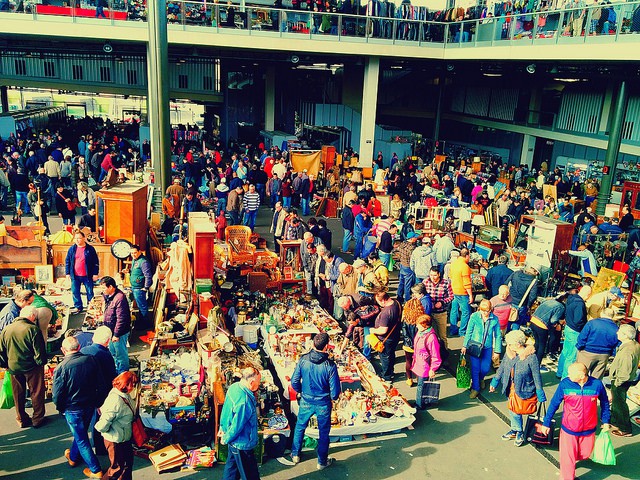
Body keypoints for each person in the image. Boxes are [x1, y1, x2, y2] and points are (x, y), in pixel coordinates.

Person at [540, 363, 611, 480]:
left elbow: (604, 403)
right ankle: (567, 476)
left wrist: (606, 421)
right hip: (569, 429)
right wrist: (546, 423)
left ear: (582, 375)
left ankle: (573, 460)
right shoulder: (565, 384)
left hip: (589, 429)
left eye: (571, 373)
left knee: (585, 454)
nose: (568, 375)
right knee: (568, 459)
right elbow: (554, 404)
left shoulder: (597, 385)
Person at [53, 336, 104, 479]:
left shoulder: (61, 367)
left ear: (63, 350)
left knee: (82, 439)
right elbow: (100, 384)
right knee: (80, 434)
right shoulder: (91, 360)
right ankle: (73, 457)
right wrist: (98, 402)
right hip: (89, 405)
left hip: (72, 408)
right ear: (79, 347)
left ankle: (95, 469)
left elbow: (57, 394)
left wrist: (60, 408)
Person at [290, 332, 340, 470]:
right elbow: (335, 393)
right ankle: (321, 462)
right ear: (326, 347)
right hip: (323, 403)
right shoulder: (330, 366)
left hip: (306, 399)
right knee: (323, 433)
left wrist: (301, 391)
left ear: (313, 344)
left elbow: (294, 382)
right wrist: (332, 398)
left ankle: (295, 454)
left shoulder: (303, 360)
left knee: (300, 427)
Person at [490, 330, 546, 447]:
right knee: (513, 409)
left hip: (524, 388)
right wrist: (495, 381)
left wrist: (540, 391)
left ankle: (517, 431)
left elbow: (536, 375)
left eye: (510, 344)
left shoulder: (531, 357)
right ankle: (517, 430)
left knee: (516, 409)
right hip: (510, 387)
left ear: (518, 344)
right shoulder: (509, 353)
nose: (508, 346)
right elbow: (502, 368)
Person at [0, 305, 47, 428]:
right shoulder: (33, 329)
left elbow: (1, 350)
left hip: (14, 367)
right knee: (36, 392)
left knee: (18, 393)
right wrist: (41, 363)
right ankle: (37, 418)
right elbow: (39, 351)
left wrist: (5, 364)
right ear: (32, 316)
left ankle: (21, 418)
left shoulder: (7, 329)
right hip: (32, 367)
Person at [219, 367, 262, 480]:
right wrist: (226, 438)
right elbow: (237, 426)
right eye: (258, 383)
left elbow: (226, 410)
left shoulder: (234, 387)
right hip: (242, 443)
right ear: (251, 382)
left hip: (234, 442)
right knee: (250, 475)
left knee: (231, 471)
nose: (259, 385)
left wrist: (222, 427)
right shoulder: (244, 402)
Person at [95, 371, 139, 480]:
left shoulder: (122, 394)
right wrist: (106, 432)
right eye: (132, 384)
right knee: (117, 469)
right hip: (115, 440)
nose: (133, 387)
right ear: (126, 384)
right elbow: (102, 424)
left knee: (127, 465)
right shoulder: (116, 401)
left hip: (124, 437)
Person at [81, 326, 117, 455]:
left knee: (84, 423)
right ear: (107, 341)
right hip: (101, 392)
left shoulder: (84, 350)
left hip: (85, 392)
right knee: (100, 419)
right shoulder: (105, 355)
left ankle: (82, 449)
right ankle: (101, 447)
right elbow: (111, 374)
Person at [461, 299, 502, 399]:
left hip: (487, 347)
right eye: (484, 311)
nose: (486, 313)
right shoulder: (474, 317)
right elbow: (469, 332)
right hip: (475, 346)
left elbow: (498, 335)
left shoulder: (494, 319)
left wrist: (497, 351)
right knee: (475, 368)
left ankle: (481, 379)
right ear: (480, 309)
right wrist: (464, 345)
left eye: (488, 310)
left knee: (485, 368)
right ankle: (475, 388)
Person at [608, 324, 640, 437]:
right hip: (624, 379)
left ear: (625, 335)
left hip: (621, 381)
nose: (617, 333)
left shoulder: (627, 351)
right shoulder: (633, 344)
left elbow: (625, 372)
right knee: (617, 403)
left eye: (619, 332)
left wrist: (617, 382)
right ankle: (615, 422)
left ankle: (625, 429)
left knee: (620, 404)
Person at [557, 283, 590, 379]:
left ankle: (559, 372)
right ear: (587, 295)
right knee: (571, 356)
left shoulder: (571, 298)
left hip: (568, 328)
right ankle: (565, 377)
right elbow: (578, 320)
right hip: (575, 331)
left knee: (565, 352)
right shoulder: (580, 304)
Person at [575, 308, 619, 379]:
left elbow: (582, 337)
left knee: (580, 375)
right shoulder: (616, 328)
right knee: (596, 378)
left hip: (587, 352)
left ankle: (578, 389)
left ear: (602, 313)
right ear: (613, 316)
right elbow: (616, 343)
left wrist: (580, 347)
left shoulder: (592, 323)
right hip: (604, 355)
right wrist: (611, 353)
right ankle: (593, 390)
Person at [100, 276, 132, 375]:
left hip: (119, 332)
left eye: (103, 288)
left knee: (121, 354)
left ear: (111, 287)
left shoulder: (120, 298)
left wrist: (116, 335)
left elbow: (121, 319)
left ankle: (124, 374)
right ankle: (117, 371)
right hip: (111, 331)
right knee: (113, 352)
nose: (102, 290)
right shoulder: (110, 296)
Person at [412, 314, 442, 410]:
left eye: (418, 325)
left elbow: (435, 354)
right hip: (419, 363)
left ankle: (419, 404)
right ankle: (423, 401)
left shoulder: (431, 338)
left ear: (425, 326)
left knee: (421, 385)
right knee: (421, 384)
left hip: (425, 365)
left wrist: (433, 369)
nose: (416, 326)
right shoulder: (421, 333)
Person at [65, 231, 100, 314]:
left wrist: (95, 273)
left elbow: (96, 262)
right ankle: (78, 307)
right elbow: (67, 261)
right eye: (76, 238)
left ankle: (90, 306)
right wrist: (67, 273)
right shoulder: (72, 249)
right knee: (75, 291)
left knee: (90, 292)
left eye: (79, 238)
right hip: (75, 275)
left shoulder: (90, 249)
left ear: (84, 238)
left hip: (87, 275)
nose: (77, 240)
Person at [371, 291, 402, 381]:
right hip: (395, 336)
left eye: (379, 301)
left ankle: (386, 376)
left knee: (385, 358)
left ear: (383, 301)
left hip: (386, 339)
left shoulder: (386, 312)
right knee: (391, 355)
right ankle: (390, 372)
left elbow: (383, 330)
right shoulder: (397, 303)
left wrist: (373, 330)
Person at [530, 295, 566, 371]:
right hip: (542, 325)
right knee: (542, 346)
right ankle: (537, 365)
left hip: (533, 321)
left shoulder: (549, 301)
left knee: (537, 343)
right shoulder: (561, 307)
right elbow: (553, 320)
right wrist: (557, 324)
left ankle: (531, 361)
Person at [422, 267, 453, 350]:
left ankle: (445, 354)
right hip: (429, 313)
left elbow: (451, 296)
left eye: (435, 275)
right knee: (429, 336)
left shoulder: (446, 283)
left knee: (442, 336)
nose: (432, 277)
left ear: (439, 274)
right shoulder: (425, 282)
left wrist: (442, 302)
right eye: (431, 275)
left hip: (441, 313)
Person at [449, 247, 473, 337]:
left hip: (454, 290)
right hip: (462, 292)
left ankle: (453, 329)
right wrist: (470, 295)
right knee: (466, 312)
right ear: (467, 256)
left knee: (454, 310)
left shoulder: (454, 264)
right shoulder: (465, 267)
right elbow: (467, 283)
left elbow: (450, 276)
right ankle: (462, 331)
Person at [129, 245, 152, 327]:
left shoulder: (143, 262)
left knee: (142, 307)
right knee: (139, 306)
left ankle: (145, 324)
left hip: (140, 288)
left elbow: (148, 276)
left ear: (139, 252)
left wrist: (145, 287)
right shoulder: (135, 260)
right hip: (134, 287)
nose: (133, 255)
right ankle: (141, 322)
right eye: (131, 253)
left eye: (135, 253)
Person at [396, 232, 419, 302]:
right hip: (408, 267)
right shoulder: (412, 248)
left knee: (401, 282)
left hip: (402, 265)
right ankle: (407, 300)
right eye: (415, 237)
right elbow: (413, 259)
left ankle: (399, 297)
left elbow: (399, 253)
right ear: (411, 239)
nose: (416, 238)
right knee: (408, 285)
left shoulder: (403, 244)